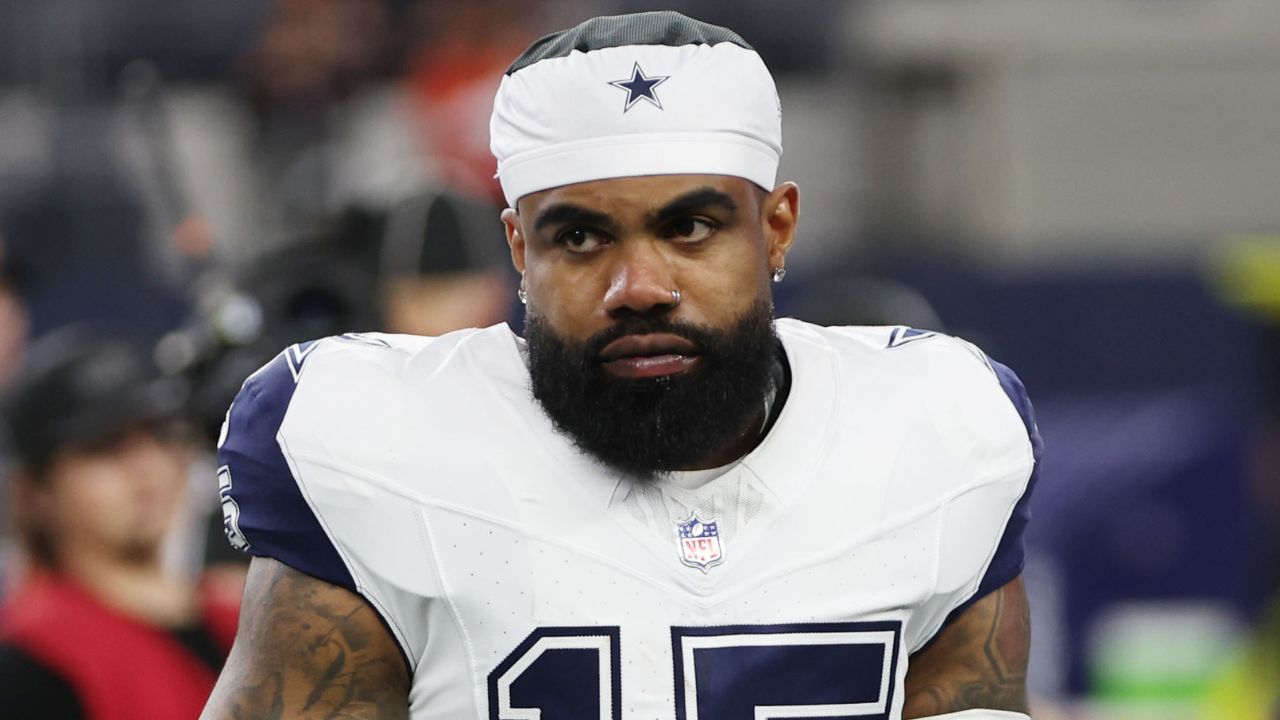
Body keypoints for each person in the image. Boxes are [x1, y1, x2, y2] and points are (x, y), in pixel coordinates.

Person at [203, 11, 1040, 720]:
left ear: (777, 229)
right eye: (580, 237)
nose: (639, 288)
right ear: (518, 250)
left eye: (691, 229)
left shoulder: (936, 431)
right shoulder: (380, 444)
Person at [0, 331, 239, 720]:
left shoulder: (242, 617)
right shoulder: (31, 661)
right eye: (105, 446)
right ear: (35, 492)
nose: (146, 465)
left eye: (161, 434)